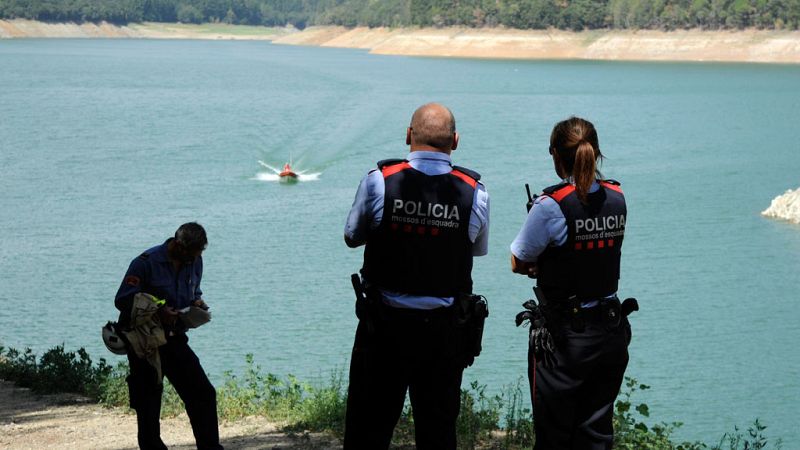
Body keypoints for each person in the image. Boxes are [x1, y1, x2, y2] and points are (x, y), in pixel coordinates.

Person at [343, 103, 490, 449]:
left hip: (383, 329)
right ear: (455, 141)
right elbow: (476, 249)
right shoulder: (475, 192)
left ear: (408, 135)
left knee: (367, 430)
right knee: (437, 433)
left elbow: (352, 237)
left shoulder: (380, 181)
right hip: (443, 333)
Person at [510, 117, 632, 449]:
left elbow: (518, 260)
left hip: (566, 340)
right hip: (610, 331)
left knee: (554, 437)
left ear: (556, 155)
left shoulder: (550, 206)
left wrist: (543, 265)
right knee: (595, 435)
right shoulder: (618, 198)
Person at [114, 222, 223, 450]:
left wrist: (196, 303)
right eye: (190, 255)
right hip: (145, 344)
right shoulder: (145, 263)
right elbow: (123, 299)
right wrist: (159, 310)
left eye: (197, 255)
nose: (193, 260)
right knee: (149, 406)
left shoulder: (195, 260)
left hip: (174, 340)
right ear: (177, 244)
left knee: (202, 393)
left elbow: (194, 290)